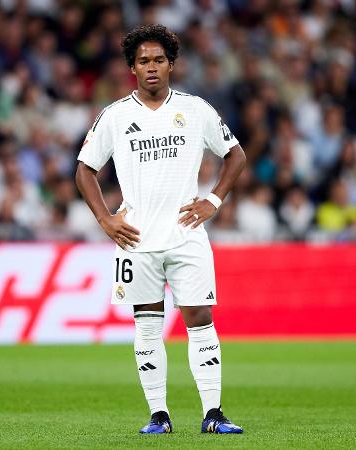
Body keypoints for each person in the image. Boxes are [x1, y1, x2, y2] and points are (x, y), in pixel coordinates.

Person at [75, 24, 246, 435]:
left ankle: (213, 414)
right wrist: (105, 219)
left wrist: (214, 199)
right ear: (132, 68)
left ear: (171, 64)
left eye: (158, 60)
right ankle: (159, 415)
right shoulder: (115, 116)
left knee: (200, 318)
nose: (151, 67)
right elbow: (84, 170)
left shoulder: (196, 109)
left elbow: (235, 155)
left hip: (187, 234)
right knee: (147, 324)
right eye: (143, 61)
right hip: (136, 238)